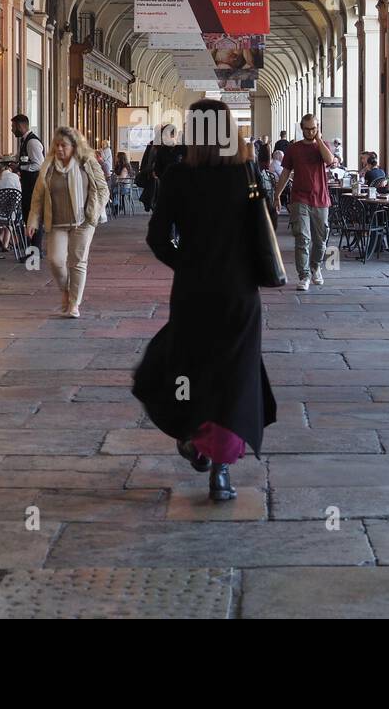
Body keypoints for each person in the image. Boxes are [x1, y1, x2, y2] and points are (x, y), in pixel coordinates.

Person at [133, 99, 278, 503]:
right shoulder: (245, 173)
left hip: (194, 292)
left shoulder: (178, 176)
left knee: (190, 370)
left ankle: (192, 437)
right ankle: (222, 471)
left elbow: (157, 239)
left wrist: (188, 265)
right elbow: (267, 227)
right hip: (239, 293)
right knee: (235, 378)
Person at [26, 127, 108, 318]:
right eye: (56, 145)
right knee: (55, 261)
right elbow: (38, 195)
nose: (59, 149)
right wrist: (33, 220)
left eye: (64, 145)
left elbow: (103, 189)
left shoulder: (87, 163)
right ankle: (65, 290)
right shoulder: (49, 166)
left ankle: (74, 304)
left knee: (78, 261)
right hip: (56, 222)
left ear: (75, 146)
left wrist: (94, 213)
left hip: (83, 221)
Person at [273, 113, 333, 291]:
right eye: (307, 129)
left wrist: (319, 140)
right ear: (302, 129)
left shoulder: (323, 146)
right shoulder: (294, 148)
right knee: (302, 238)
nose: (310, 132)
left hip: (321, 198)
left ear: (318, 127)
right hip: (300, 198)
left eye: (313, 128)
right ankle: (304, 275)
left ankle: (315, 268)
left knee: (321, 239)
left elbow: (329, 160)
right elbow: (285, 173)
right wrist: (277, 195)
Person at [12, 114, 45, 233]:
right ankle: (31, 248)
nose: (12, 130)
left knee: (33, 217)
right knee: (28, 216)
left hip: (34, 185)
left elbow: (39, 164)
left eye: (13, 127)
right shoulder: (24, 141)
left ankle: (35, 249)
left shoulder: (32, 142)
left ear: (20, 126)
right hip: (28, 184)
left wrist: (20, 167)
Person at [0, 161, 23, 250]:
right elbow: (19, 193)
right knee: (9, 215)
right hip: (11, 214)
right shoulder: (15, 177)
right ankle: (5, 244)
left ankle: (0, 237)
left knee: (1, 211)